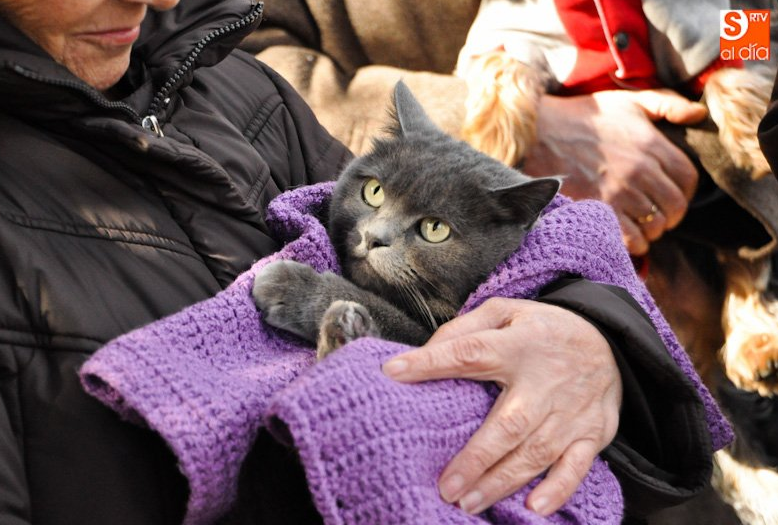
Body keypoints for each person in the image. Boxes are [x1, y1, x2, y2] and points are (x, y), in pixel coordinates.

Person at [0, 1, 720, 524]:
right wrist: (502, 120)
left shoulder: (228, 91)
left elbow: (759, 46)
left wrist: (597, 336)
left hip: (708, 291)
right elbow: (270, 40)